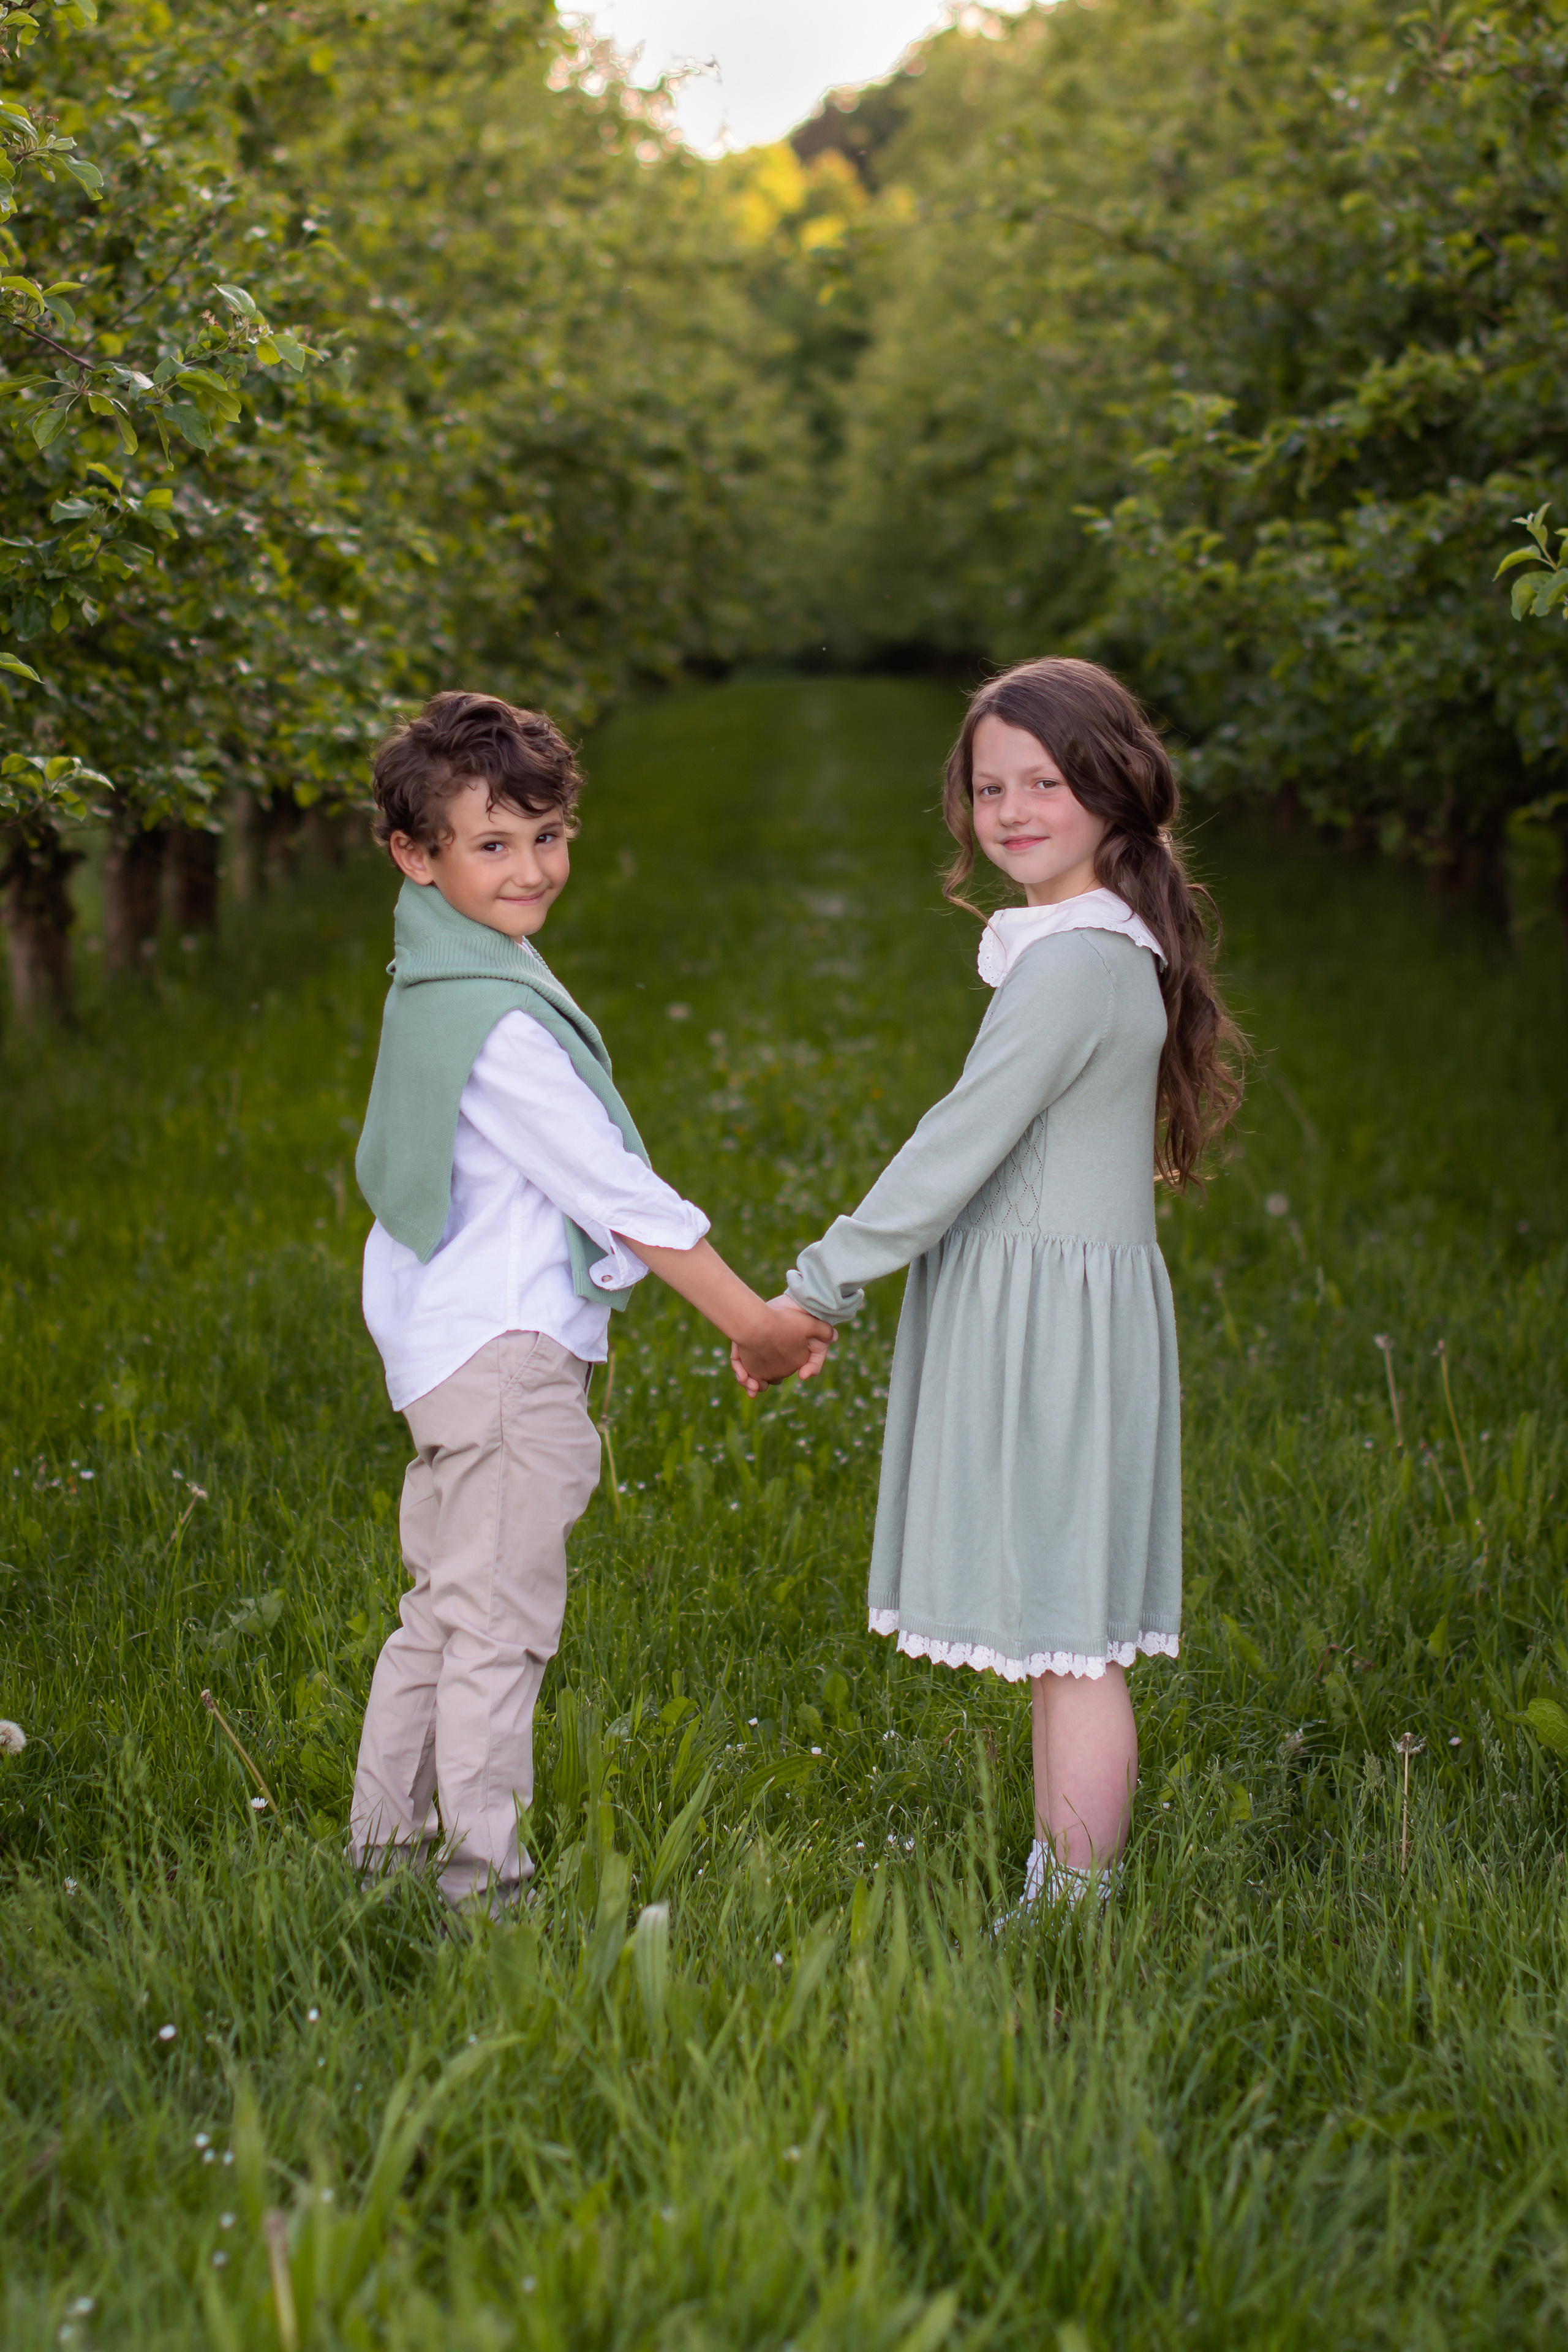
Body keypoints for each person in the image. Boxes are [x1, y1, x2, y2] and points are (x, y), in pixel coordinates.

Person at [739, 657, 1241, 1913]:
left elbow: (955, 1147)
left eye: (1045, 781)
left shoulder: (1073, 965)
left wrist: (816, 1289)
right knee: (1061, 1634)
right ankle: (1061, 1869)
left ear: (1112, 790)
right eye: (987, 786)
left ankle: (1073, 1900)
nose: (1012, 809)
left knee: (1070, 1642)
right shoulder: (1090, 947)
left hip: (1047, 1331)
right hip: (1060, 1314)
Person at [350, 690, 833, 1913]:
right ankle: (481, 1889)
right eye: (492, 844)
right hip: (504, 1361)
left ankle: (384, 1858)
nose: (531, 869)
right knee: (497, 1626)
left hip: (451, 1350)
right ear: (415, 854)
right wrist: (756, 1325)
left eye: (547, 836)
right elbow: (621, 1197)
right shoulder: (496, 1026)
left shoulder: (442, 978)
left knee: (442, 1610)